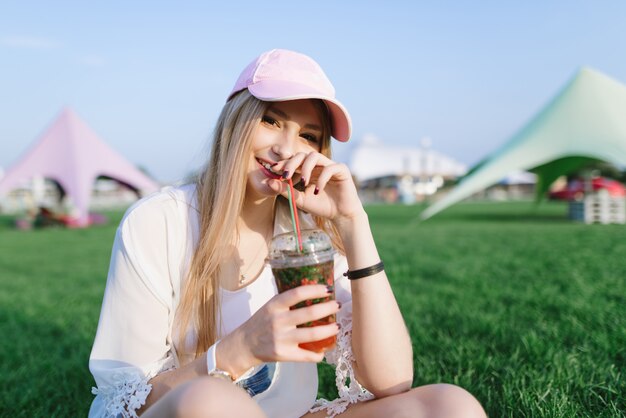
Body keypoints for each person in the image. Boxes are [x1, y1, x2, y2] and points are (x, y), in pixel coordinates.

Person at [88, 49, 486, 418]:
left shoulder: (310, 238)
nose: (285, 148)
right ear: (235, 122)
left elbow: (391, 379)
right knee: (210, 400)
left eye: (308, 136)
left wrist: (353, 222)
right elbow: (123, 405)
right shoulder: (158, 222)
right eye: (271, 121)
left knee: (451, 406)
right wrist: (240, 348)